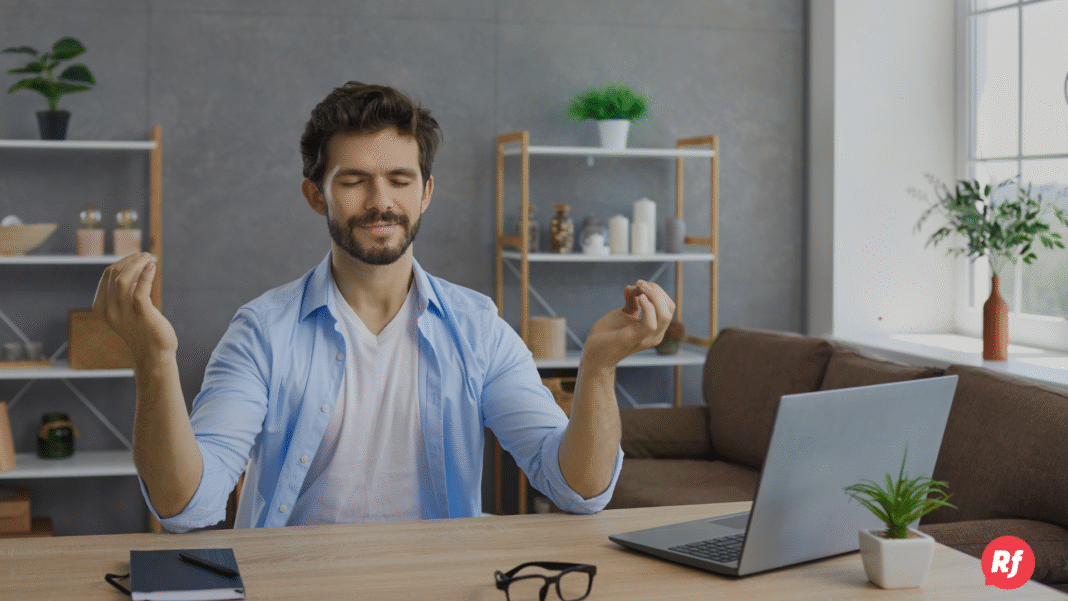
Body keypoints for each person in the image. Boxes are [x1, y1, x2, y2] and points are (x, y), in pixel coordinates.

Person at [93, 81, 676, 532]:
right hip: (293, 586)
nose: (380, 201)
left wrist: (597, 369)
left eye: (400, 178)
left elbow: (579, 489)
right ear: (314, 194)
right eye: (353, 180)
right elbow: (185, 507)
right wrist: (154, 360)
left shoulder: (478, 328)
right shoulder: (261, 332)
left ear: (425, 191)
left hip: (436, 583)